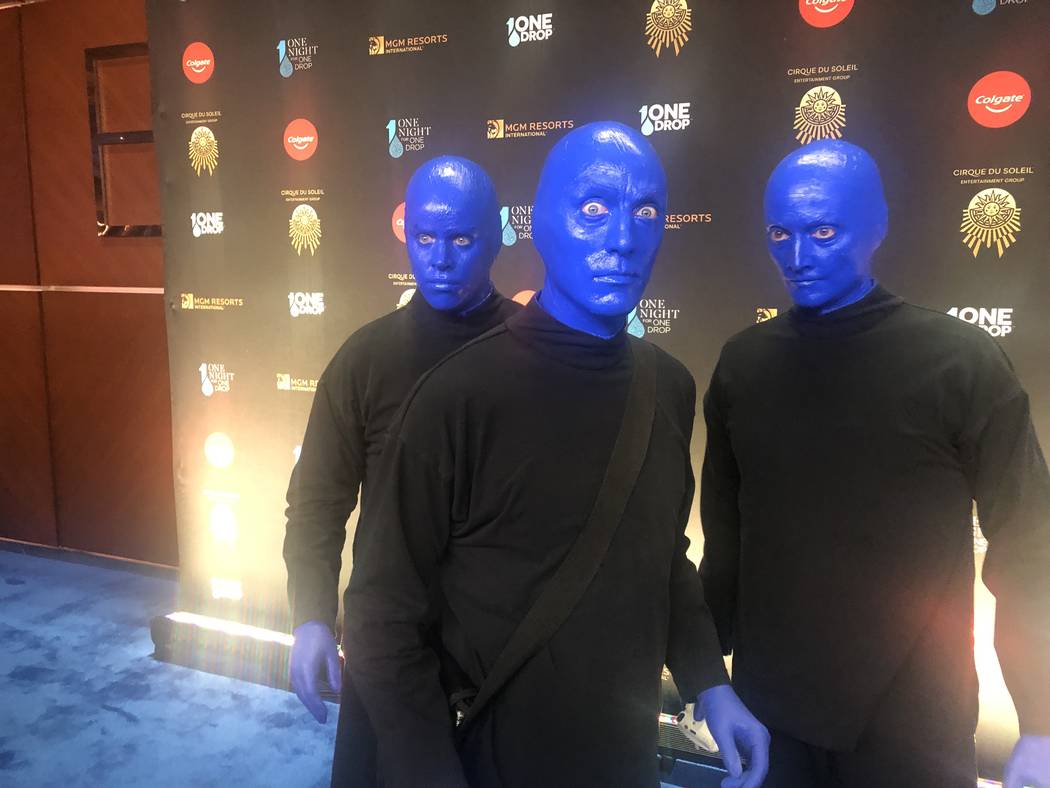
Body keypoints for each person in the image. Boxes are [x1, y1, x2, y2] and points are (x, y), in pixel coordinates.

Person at [345, 121, 769, 788]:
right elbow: (379, 615)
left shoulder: (669, 386)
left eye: (647, 211)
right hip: (490, 759)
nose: (624, 239)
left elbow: (660, 558)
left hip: (621, 757)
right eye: (594, 208)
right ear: (538, 223)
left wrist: (711, 684)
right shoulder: (458, 394)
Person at [699, 139, 1050, 787]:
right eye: (780, 233)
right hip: (770, 716)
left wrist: (1039, 719)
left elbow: (1028, 546)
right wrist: (701, 678)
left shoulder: (961, 362)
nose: (797, 257)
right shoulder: (742, 366)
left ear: (877, 226)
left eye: (823, 230)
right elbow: (725, 547)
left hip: (916, 724)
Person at [282, 155, 520, 787]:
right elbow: (316, 500)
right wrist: (309, 614)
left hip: (507, 654)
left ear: (496, 237)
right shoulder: (364, 360)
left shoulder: (535, 354)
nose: (439, 258)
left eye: (461, 239)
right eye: (424, 238)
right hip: (388, 649)